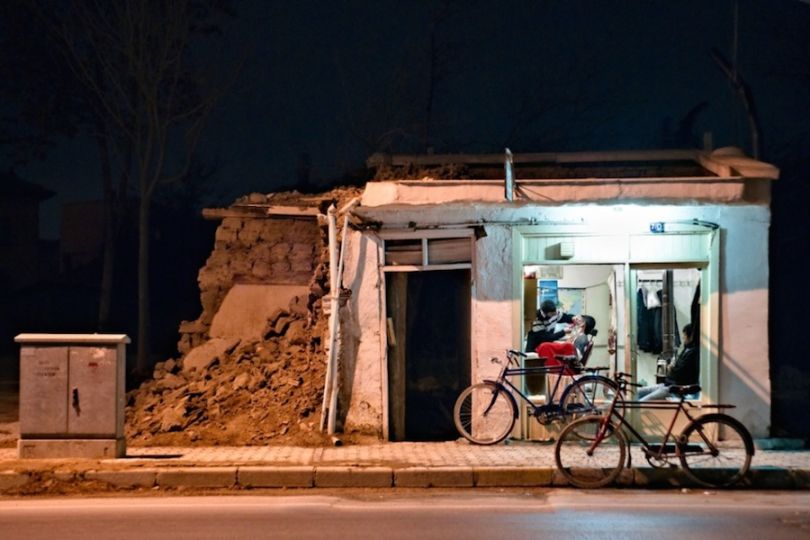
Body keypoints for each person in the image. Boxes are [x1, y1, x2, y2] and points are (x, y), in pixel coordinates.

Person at [637, 323, 699, 401]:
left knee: (642, 402)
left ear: (690, 337)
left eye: (685, 336)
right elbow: (677, 367)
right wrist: (672, 368)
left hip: (673, 389)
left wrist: (671, 368)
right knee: (638, 392)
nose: (683, 338)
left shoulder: (693, 353)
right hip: (667, 384)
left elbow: (680, 372)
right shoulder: (686, 349)